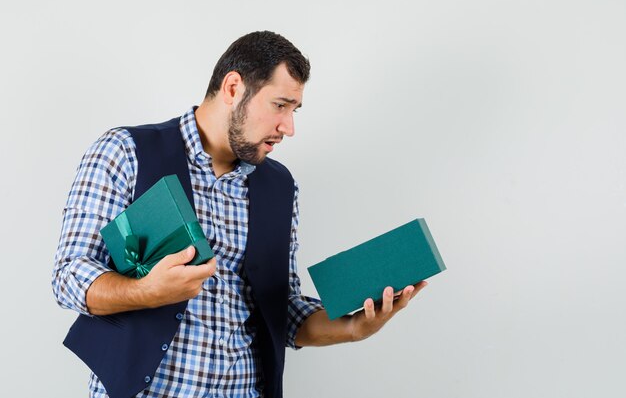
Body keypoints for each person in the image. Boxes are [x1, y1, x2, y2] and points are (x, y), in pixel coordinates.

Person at [52, 30, 427, 398]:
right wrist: (145, 291)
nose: (289, 127)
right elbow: (69, 276)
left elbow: (283, 312)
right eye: (280, 105)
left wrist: (352, 329)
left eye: (295, 110)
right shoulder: (125, 151)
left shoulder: (280, 185)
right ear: (233, 88)